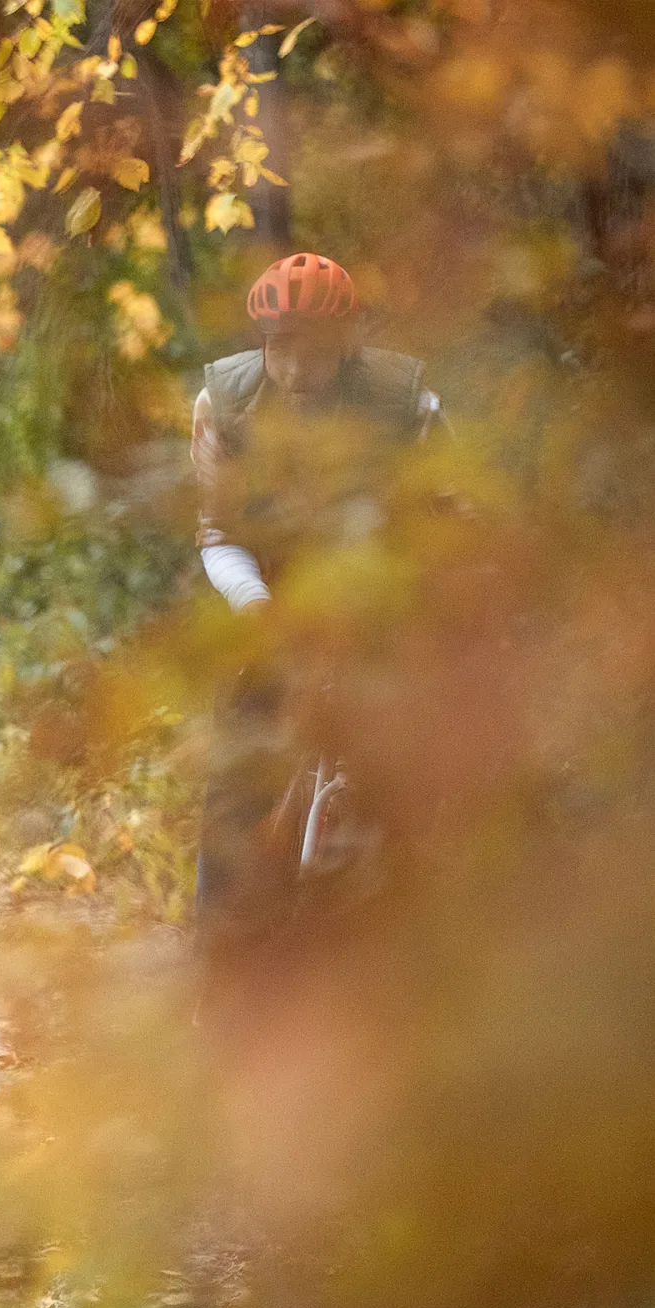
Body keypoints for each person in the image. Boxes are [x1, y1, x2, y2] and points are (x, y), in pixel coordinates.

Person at [191, 251, 442, 931]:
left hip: (379, 595)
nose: (297, 371)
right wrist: (260, 613)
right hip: (269, 595)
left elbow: (441, 521)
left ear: (348, 343)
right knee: (236, 781)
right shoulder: (225, 403)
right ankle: (216, 962)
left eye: (316, 352)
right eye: (280, 349)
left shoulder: (407, 402)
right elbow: (217, 535)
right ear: (261, 344)